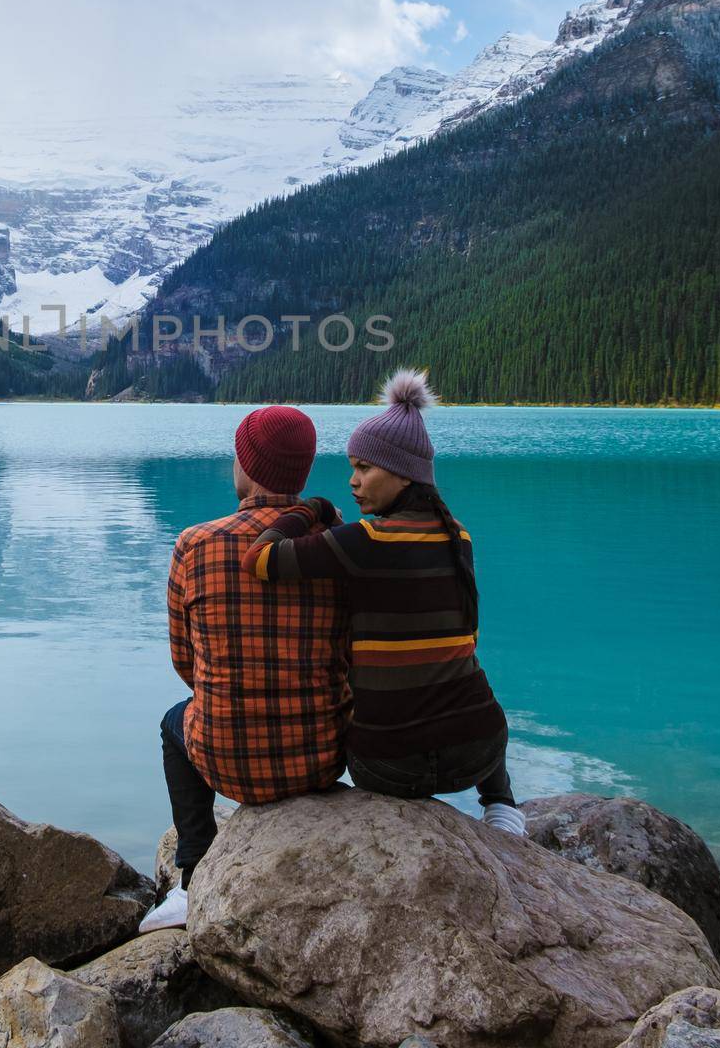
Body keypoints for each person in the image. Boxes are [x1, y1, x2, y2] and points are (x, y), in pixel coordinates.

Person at [241, 368, 525, 837]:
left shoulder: (366, 538)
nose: (352, 481)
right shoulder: (459, 536)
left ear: (402, 473)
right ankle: (502, 806)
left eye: (363, 468)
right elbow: (469, 635)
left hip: (389, 770)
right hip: (479, 754)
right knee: (465, 666)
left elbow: (262, 559)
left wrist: (307, 509)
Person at [138, 404, 351, 931]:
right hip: (323, 761)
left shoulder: (196, 543)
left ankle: (192, 879)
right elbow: (351, 657)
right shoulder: (337, 545)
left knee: (174, 722)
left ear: (247, 464)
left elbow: (186, 665)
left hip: (226, 761)